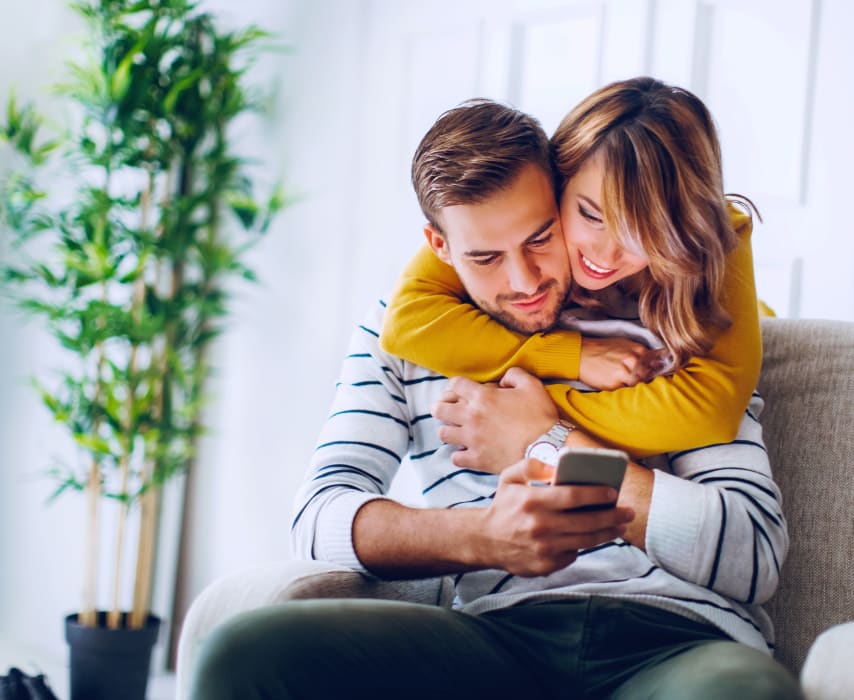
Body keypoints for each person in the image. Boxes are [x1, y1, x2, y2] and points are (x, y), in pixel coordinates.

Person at [188, 97, 800, 699]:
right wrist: (481, 537)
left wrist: (548, 444)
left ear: (558, 198)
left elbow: (752, 556)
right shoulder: (400, 337)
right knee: (246, 654)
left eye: (540, 238)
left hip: (680, 638)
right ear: (440, 246)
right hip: (498, 637)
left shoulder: (676, 326)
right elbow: (317, 519)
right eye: (485, 257)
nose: (525, 281)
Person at [380, 77, 762, 458]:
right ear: (559, 178)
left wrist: (531, 420)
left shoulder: (712, 233)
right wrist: (571, 356)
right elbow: (406, 323)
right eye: (591, 216)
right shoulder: (501, 218)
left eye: (644, 233)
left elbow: (711, 412)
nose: (607, 256)